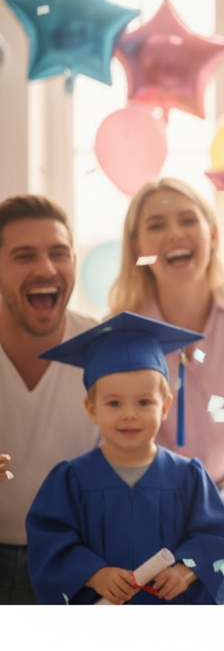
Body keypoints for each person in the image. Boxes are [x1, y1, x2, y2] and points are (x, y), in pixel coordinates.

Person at [108, 177, 224, 604]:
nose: (175, 234)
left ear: (213, 234)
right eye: (157, 225)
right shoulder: (119, 332)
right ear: (136, 245)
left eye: (188, 220)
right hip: (150, 500)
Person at [25, 313, 224, 605]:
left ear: (165, 406)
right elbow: (49, 543)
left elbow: (218, 538)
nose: (129, 414)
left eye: (144, 402)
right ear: (91, 409)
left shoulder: (188, 477)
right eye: (114, 403)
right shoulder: (71, 480)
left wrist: (187, 569)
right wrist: (94, 574)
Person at [0, 194, 99, 604]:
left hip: (76, 558)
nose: (47, 269)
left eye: (59, 253)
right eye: (24, 256)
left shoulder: (103, 348)